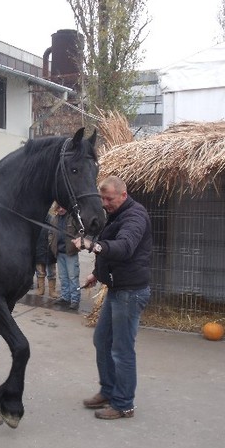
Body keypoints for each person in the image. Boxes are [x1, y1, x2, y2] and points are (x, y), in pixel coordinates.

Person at [74, 175, 153, 420]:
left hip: (130, 292)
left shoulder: (135, 216)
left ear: (123, 195)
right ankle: (109, 391)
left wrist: (92, 246)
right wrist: (96, 274)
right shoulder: (117, 214)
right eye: (103, 199)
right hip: (117, 289)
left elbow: (124, 247)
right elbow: (110, 249)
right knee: (102, 340)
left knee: (122, 350)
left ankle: (124, 404)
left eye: (109, 199)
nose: (105, 203)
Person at [51, 204, 81, 310]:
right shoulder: (55, 219)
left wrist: (76, 243)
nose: (61, 209)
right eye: (58, 207)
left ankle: (75, 300)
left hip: (70, 253)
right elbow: (51, 233)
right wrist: (52, 245)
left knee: (73, 277)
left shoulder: (73, 218)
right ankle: (65, 297)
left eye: (63, 207)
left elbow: (81, 232)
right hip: (59, 253)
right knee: (63, 277)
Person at [34, 203, 59, 299]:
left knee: (51, 272)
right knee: (40, 272)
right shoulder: (36, 220)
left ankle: (52, 291)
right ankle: (41, 289)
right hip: (39, 249)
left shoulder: (52, 219)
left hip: (50, 251)